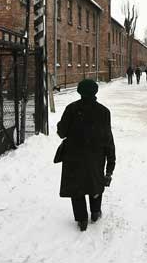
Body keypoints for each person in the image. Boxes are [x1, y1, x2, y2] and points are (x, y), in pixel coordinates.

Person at [57, 79, 116, 232]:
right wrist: (111, 162)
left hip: (74, 154)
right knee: (95, 182)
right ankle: (95, 212)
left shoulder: (71, 109)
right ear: (95, 92)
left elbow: (61, 132)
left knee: (76, 186)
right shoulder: (104, 112)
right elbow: (107, 137)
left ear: (79, 91)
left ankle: (82, 218)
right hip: (96, 155)